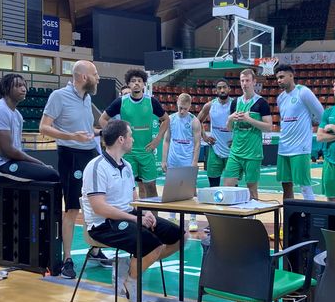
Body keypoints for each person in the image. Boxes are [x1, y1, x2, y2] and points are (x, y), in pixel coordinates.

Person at [81, 120, 183, 302]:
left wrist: (144, 214)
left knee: (180, 236)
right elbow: (100, 208)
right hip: (103, 225)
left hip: (128, 217)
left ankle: (130, 267)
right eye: (130, 136)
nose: (133, 139)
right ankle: (131, 281)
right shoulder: (96, 167)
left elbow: (134, 201)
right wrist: (135, 218)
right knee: (153, 245)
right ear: (121, 139)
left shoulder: (127, 166)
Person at [40, 60, 107, 279]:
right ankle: (67, 258)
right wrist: (71, 136)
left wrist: (100, 132)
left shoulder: (87, 99)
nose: (98, 78)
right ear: (83, 77)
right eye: (95, 74)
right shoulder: (58, 96)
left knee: (99, 204)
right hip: (70, 156)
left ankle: (96, 249)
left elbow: (86, 131)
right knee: (72, 208)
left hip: (90, 154)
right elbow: (44, 127)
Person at [98, 69, 170, 200]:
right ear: (128, 84)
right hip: (128, 153)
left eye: (139, 81)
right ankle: (133, 219)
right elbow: (102, 119)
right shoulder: (121, 101)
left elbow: (166, 119)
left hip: (146, 152)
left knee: (151, 187)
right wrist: (114, 135)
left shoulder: (151, 101)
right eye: (133, 81)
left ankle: (155, 219)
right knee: (127, 189)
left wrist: (158, 139)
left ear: (144, 84)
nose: (136, 83)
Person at [275, 64, 324, 200]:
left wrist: (309, 121)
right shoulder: (280, 98)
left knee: (304, 186)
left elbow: (321, 115)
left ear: (291, 75)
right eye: (277, 78)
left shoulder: (303, 92)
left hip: (300, 148)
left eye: (282, 77)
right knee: (286, 185)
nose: (279, 80)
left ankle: (312, 217)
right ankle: (289, 218)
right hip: (283, 148)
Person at [222, 69, 272, 199]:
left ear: (254, 82)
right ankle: (231, 217)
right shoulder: (235, 103)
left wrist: (249, 119)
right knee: (227, 187)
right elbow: (229, 128)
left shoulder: (261, 103)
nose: (244, 83)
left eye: (247, 80)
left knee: (252, 191)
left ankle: (251, 218)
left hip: (253, 154)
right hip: (235, 152)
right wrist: (230, 119)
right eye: (242, 81)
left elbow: (268, 127)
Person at [0, 74, 59, 182]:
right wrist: (39, 163)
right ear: (6, 89)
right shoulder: (1, 110)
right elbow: (8, 151)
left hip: (12, 161)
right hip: (2, 164)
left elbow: (16, 150)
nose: (23, 89)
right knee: (52, 175)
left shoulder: (17, 115)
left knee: (49, 173)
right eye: (18, 86)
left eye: (24, 86)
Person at [161, 93, 201, 230]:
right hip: (173, 159)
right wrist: (163, 160)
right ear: (177, 103)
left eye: (184, 108)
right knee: (172, 188)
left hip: (187, 160)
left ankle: (193, 218)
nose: (182, 111)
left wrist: (194, 162)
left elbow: (197, 143)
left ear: (189, 106)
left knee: (191, 189)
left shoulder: (194, 121)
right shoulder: (171, 119)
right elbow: (166, 140)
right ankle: (172, 217)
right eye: (180, 108)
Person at [197, 79, 236, 187]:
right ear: (216, 90)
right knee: (213, 184)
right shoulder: (209, 106)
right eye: (219, 88)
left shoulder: (235, 104)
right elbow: (197, 121)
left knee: (232, 185)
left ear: (229, 89)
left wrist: (237, 139)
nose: (222, 90)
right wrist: (204, 136)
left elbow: (243, 125)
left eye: (224, 87)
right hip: (215, 149)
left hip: (232, 151)